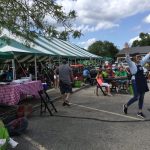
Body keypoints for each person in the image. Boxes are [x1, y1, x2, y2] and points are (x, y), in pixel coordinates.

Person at [123, 43, 150, 118]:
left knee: (142, 97)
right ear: (134, 58)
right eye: (138, 56)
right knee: (136, 97)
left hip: (142, 80)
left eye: (140, 56)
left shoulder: (141, 63)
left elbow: (148, 55)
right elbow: (127, 57)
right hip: (135, 81)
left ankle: (139, 112)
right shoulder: (131, 63)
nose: (140, 57)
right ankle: (126, 105)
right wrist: (127, 50)